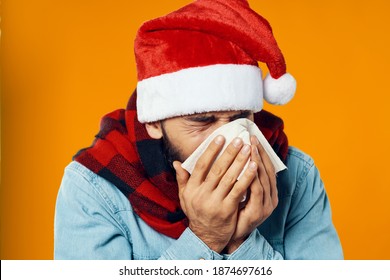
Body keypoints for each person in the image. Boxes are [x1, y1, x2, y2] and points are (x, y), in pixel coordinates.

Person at [54, 0, 343, 260]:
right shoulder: (93, 189)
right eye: (202, 121)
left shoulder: (298, 176)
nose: (228, 140)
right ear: (154, 122)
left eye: (241, 117)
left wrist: (243, 242)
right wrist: (208, 238)